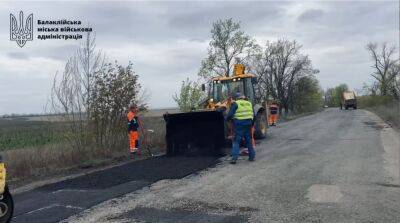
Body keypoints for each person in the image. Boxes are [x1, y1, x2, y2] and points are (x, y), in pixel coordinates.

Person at [226, 92, 256, 164]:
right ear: (243, 97)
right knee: (248, 141)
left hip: (239, 125)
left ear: (236, 98)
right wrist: (251, 124)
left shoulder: (235, 104)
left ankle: (234, 159)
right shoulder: (249, 103)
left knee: (236, 141)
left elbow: (230, 115)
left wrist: (227, 119)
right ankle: (251, 157)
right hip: (248, 124)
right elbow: (253, 115)